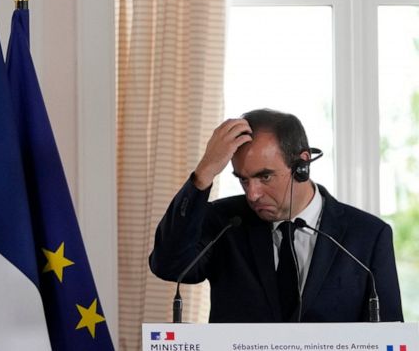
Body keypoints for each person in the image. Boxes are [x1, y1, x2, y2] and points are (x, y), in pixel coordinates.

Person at [150, 108, 403, 322]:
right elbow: (169, 265)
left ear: (302, 165)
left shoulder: (369, 236)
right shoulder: (225, 223)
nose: (253, 194)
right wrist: (204, 172)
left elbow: (389, 333)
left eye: (264, 176)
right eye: (243, 180)